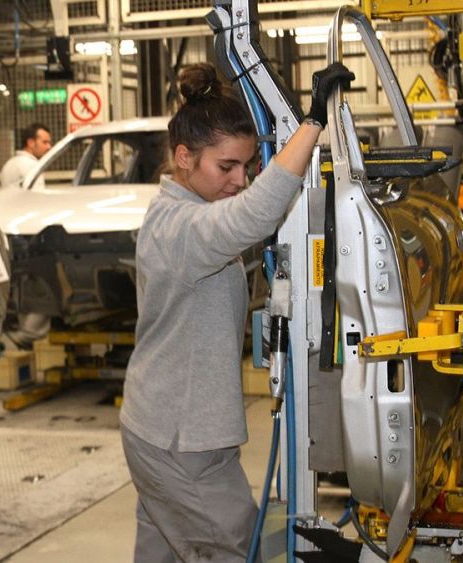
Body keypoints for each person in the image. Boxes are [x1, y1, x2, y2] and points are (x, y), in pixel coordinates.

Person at [119, 61, 354, 562]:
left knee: (161, 554)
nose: (239, 180)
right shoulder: (180, 228)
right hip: (183, 441)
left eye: (246, 167)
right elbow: (251, 216)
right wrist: (312, 122)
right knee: (234, 549)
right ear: (184, 158)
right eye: (226, 167)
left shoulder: (185, 214)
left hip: (161, 428)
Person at [0, 122, 52, 189]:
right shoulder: (32, 165)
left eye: (49, 142)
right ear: (31, 143)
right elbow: (37, 194)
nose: (49, 147)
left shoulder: (9, 163)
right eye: (45, 142)